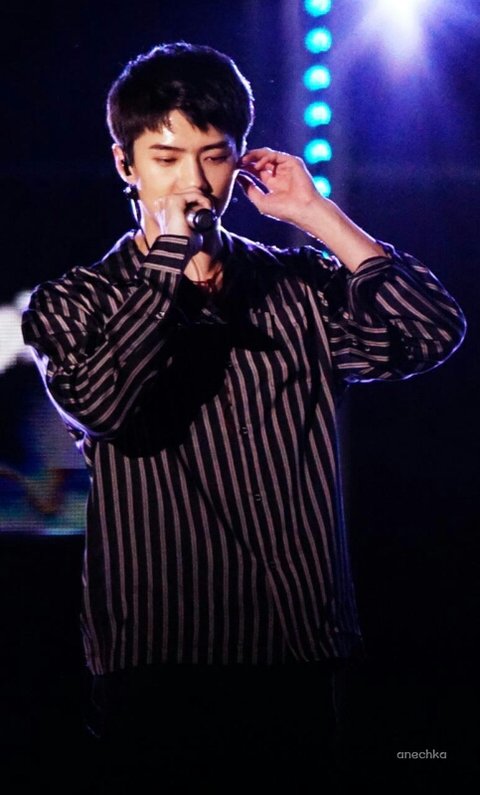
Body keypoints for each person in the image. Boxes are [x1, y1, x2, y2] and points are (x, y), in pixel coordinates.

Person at [22, 42, 465, 789]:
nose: (194, 183)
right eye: (166, 158)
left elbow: (431, 330)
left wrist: (316, 215)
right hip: (159, 654)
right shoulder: (76, 301)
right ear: (126, 164)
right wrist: (168, 262)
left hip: (297, 646)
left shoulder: (297, 287)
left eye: (214, 156)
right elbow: (101, 402)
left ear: (239, 160)